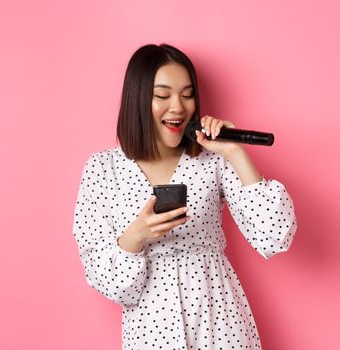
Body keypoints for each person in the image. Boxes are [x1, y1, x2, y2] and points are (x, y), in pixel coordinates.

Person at [73, 43, 297, 349]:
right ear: (137, 99)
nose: (178, 107)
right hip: (150, 330)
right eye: (162, 96)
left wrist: (235, 153)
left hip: (219, 320)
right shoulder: (102, 169)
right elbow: (111, 284)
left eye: (187, 94)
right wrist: (136, 235)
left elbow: (274, 236)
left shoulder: (214, 159)